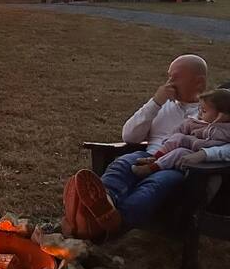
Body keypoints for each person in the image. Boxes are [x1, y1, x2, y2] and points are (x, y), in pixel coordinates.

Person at [62, 54, 230, 238]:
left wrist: (202, 154)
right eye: (169, 76)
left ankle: (118, 222)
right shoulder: (162, 105)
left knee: (156, 183)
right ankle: (102, 204)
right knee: (122, 165)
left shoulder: (210, 111)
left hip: (178, 165)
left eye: (175, 77)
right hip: (148, 155)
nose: (169, 82)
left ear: (198, 82)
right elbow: (129, 136)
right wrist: (156, 102)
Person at [132, 88, 230, 178]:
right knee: (178, 137)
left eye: (204, 111)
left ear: (220, 116)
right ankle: (155, 157)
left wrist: (204, 153)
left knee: (179, 153)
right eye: (199, 108)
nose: (199, 113)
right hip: (190, 147)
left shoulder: (226, 130)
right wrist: (170, 140)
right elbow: (180, 129)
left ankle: (151, 168)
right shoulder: (195, 122)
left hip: (207, 161)